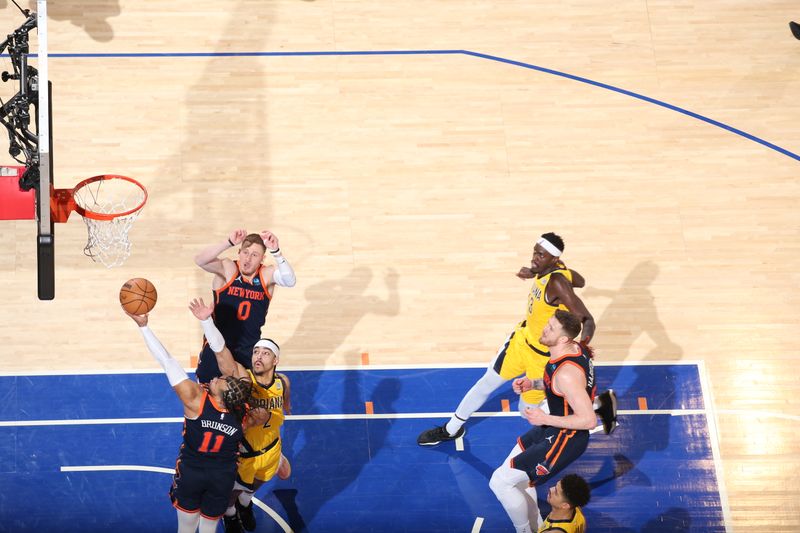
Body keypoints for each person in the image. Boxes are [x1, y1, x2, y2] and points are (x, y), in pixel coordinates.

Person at [418, 232, 605, 446]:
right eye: (535, 252)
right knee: (486, 383)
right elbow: (581, 280)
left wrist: (582, 347)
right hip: (520, 343)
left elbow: (587, 319)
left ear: (554, 259)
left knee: (525, 412)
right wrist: (535, 270)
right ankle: (451, 429)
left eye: (541, 255)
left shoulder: (558, 283)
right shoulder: (552, 270)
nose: (535, 257)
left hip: (541, 358)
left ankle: (593, 408)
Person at [124, 307, 253, 533]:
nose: (215, 377)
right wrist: (206, 322)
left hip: (192, 471)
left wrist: (143, 326)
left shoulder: (195, 400)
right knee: (209, 529)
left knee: (185, 529)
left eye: (218, 381)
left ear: (218, 396)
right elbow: (223, 355)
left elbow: (166, 360)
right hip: (222, 476)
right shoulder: (243, 407)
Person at [489, 310, 596, 533]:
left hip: (566, 436)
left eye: (551, 328)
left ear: (564, 338)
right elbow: (561, 389)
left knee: (499, 482)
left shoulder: (566, 373)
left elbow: (588, 420)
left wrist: (545, 417)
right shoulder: (572, 350)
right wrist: (534, 384)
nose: (544, 329)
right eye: (548, 323)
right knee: (514, 475)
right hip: (554, 426)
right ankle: (537, 525)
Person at [190, 298, 291, 533]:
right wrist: (207, 322)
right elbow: (222, 352)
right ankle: (232, 514)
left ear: (275, 360)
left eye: (265, 353)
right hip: (246, 453)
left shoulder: (283, 382)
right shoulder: (244, 380)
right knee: (230, 496)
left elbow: (285, 405)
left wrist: (282, 411)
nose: (258, 356)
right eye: (256, 351)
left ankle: (245, 505)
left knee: (253, 487)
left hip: (272, 447)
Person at [193, 230, 296, 383]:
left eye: (254, 255)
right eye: (245, 252)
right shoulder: (228, 269)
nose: (247, 259)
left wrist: (277, 251)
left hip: (247, 349)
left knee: (243, 400)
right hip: (217, 346)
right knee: (207, 392)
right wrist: (227, 242)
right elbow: (200, 260)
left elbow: (290, 281)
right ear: (239, 252)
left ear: (262, 258)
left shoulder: (266, 275)